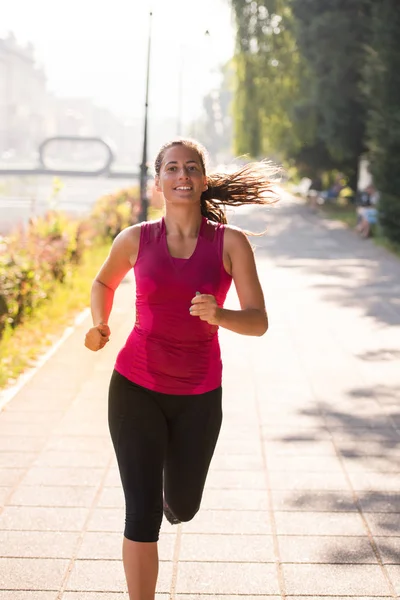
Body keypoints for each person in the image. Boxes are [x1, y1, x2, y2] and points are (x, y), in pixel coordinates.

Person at [84, 138, 278, 600]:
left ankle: (175, 498)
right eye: (171, 168)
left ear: (203, 180)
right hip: (136, 386)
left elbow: (259, 321)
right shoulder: (135, 239)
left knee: (183, 506)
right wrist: (99, 323)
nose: (182, 176)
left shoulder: (230, 243)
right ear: (158, 183)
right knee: (141, 511)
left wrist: (222, 315)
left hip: (199, 396)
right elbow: (102, 281)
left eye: (191, 168)